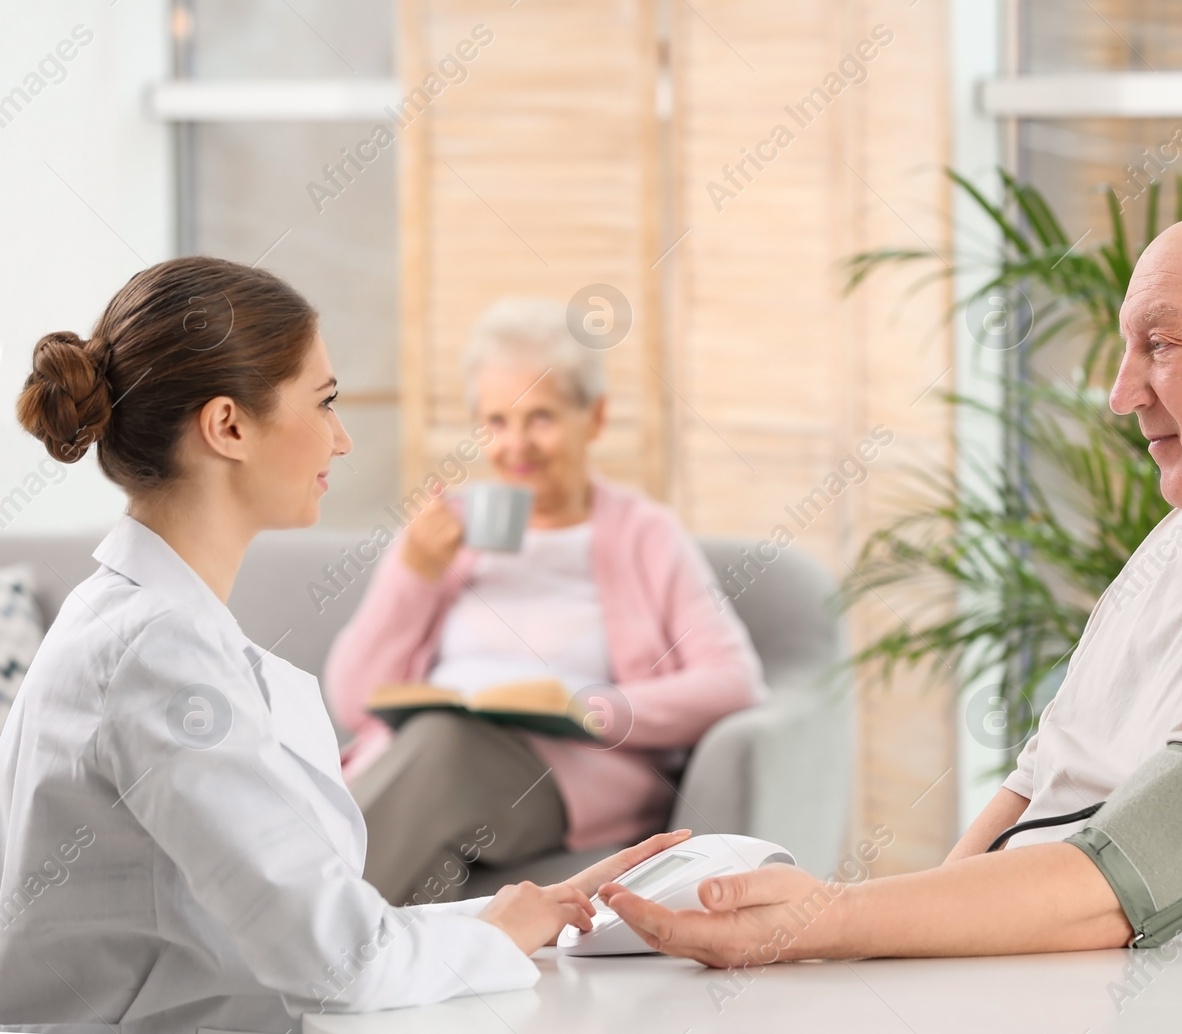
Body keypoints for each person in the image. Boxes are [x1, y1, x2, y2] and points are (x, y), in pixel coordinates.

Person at [598, 200, 1182, 964]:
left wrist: (824, 924)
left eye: (1164, 345)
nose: (1121, 392)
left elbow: (1129, 876)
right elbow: (1036, 788)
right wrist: (861, 959)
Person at [0, 258, 689, 1032]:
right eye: (324, 403)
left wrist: (515, 914)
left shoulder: (145, 625)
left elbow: (304, 936)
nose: (343, 438)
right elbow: (342, 966)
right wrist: (497, 934)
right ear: (228, 426)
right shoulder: (157, 655)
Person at [324, 298, 764, 906]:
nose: (516, 445)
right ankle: (349, 959)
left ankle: (290, 946)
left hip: (558, 774)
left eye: (542, 418)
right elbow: (352, 698)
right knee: (437, 748)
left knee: (444, 750)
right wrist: (417, 576)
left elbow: (732, 683)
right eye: (497, 422)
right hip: (429, 755)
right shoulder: (443, 531)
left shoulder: (645, 534)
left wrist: (593, 709)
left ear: (596, 417)